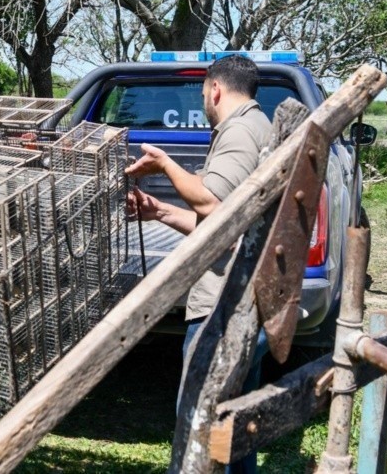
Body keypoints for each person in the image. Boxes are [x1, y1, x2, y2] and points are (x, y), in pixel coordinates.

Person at [125, 54, 272, 474]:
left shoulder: (240, 132)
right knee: (233, 429)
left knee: (200, 424)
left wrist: (165, 164)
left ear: (215, 89)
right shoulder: (254, 127)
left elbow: (213, 202)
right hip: (244, 301)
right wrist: (159, 211)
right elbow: (220, 225)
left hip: (223, 309)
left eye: (204, 92)